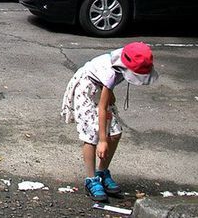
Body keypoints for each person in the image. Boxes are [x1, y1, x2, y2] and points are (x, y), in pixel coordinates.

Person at [60, 42, 157, 202]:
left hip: (102, 87)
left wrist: (109, 92)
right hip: (87, 89)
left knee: (116, 132)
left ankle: (102, 171)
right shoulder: (110, 73)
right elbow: (102, 109)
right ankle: (91, 179)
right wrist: (103, 140)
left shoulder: (126, 58)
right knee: (91, 135)